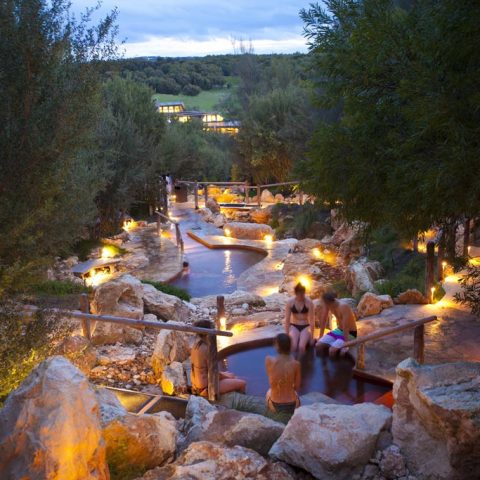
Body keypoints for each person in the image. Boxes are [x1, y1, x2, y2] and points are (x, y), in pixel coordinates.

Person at [190, 319, 246, 397]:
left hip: (196, 385)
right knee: (242, 383)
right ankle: (240, 403)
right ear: (209, 333)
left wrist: (226, 375)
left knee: (232, 375)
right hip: (207, 387)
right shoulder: (208, 349)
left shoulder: (196, 346)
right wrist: (226, 376)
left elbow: (206, 370)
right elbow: (213, 373)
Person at [265, 333, 301, 414]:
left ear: (277, 346)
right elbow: (297, 387)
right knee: (293, 391)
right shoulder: (296, 364)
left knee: (269, 391)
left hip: (275, 405)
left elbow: (271, 381)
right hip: (293, 405)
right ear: (290, 346)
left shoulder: (269, 360)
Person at [317, 291, 358, 356]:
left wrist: (346, 344)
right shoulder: (329, 304)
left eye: (325, 304)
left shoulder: (343, 306)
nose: (324, 305)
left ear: (329, 302)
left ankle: (335, 364)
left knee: (331, 350)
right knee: (318, 345)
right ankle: (323, 364)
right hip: (338, 330)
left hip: (350, 333)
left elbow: (346, 327)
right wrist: (320, 336)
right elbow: (324, 319)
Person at [284, 283, 315, 353]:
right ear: (296, 293)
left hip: (305, 326)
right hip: (294, 326)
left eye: (303, 294)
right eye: (300, 294)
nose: (301, 296)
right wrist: (286, 335)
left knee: (301, 347)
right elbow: (287, 320)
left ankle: (301, 363)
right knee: (293, 346)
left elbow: (312, 319)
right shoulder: (290, 302)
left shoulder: (309, 302)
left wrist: (312, 337)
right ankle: (292, 362)